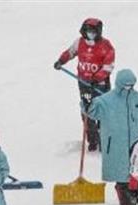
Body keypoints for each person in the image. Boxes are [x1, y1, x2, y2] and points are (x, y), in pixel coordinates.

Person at [87, 68, 138, 205]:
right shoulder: (106, 100)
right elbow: (92, 111)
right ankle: (124, 199)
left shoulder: (137, 98)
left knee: (136, 171)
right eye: (126, 85)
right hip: (115, 144)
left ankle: (134, 196)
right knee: (121, 175)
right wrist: (86, 103)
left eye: (131, 85)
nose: (129, 88)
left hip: (134, 142)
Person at [53, 17, 116, 152]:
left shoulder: (106, 46)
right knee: (87, 110)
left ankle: (104, 139)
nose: (90, 33)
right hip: (83, 83)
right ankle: (92, 140)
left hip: (100, 85)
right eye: (88, 31)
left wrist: (96, 78)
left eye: (93, 31)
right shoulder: (79, 43)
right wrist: (61, 61)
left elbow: (108, 67)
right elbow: (70, 52)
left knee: (102, 111)